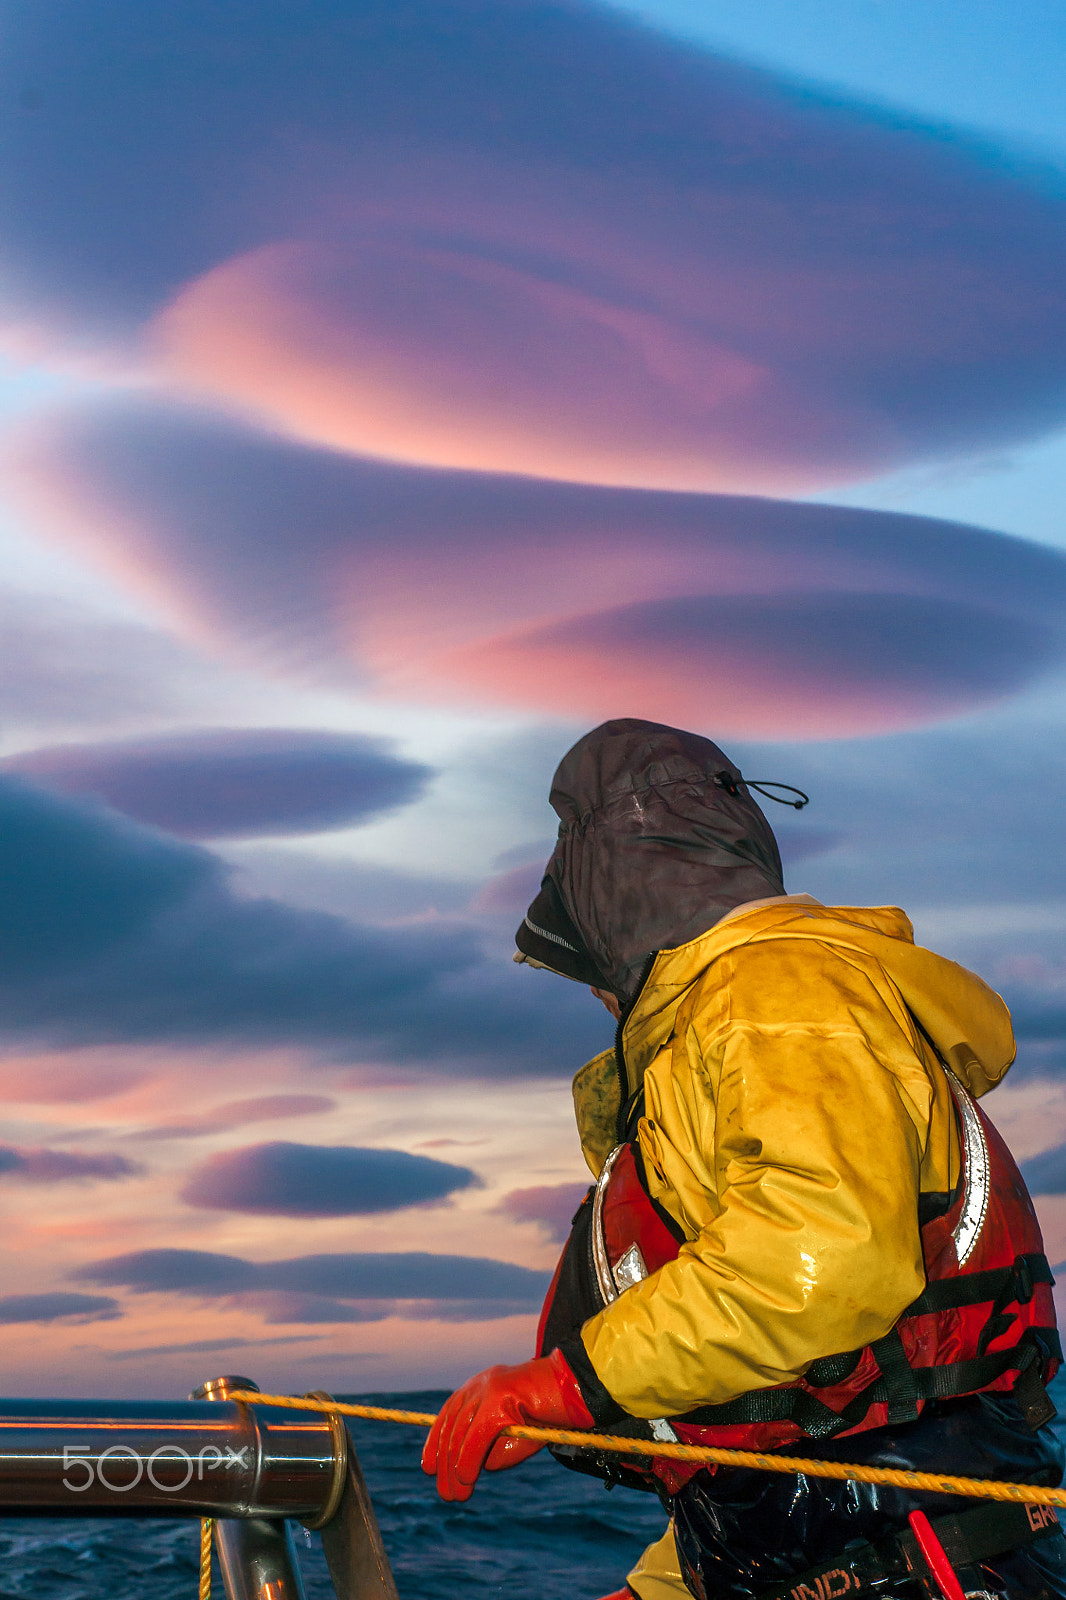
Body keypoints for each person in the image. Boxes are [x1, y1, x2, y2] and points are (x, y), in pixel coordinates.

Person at [422, 719, 1065, 1600]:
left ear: (618, 910)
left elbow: (823, 1254)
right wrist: (662, 1589)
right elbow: (782, 1453)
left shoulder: (775, 992)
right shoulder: (735, 1020)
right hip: (845, 1555)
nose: (599, 990)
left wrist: (563, 1384)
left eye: (589, 958)